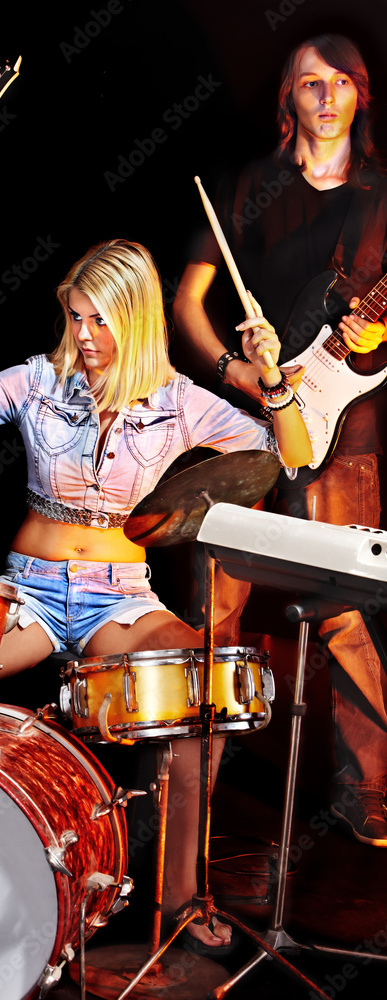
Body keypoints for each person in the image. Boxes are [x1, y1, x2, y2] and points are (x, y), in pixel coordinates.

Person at [0, 238, 312, 947]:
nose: (84, 337)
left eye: (99, 321)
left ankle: (180, 896)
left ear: (137, 320)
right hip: (30, 590)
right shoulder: (37, 379)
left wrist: (272, 383)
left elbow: (289, 456)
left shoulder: (179, 401)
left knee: (204, 703)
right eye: (75, 318)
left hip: (119, 598)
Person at [173, 34, 387, 847]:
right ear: (288, 100)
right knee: (211, 610)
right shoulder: (247, 188)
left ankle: (366, 788)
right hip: (243, 417)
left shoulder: (380, 199)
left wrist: (369, 344)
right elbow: (187, 303)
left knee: (345, 611)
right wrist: (238, 373)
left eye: (340, 82)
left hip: (345, 425)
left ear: (359, 95)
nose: (325, 97)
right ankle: (191, 787)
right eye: (309, 83)